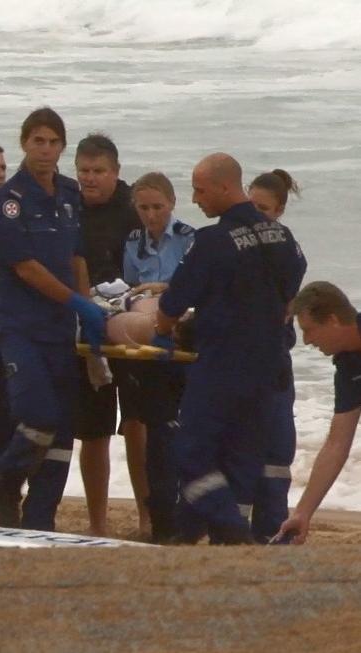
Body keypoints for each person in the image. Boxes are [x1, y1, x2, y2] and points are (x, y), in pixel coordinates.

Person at [154, 153, 306, 544]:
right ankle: (205, 542)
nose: (195, 198)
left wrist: (165, 328)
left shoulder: (211, 241)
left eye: (201, 190)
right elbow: (293, 287)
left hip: (223, 365)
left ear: (225, 187)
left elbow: (171, 306)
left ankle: (233, 532)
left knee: (191, 453)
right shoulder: (282, 236)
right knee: (241, 459)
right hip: (270, 367)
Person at [0, 108, 106, 531]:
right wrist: (78, 303)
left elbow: (75, 256)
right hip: (19, 327)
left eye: (54, 142)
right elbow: (25, 267)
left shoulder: (70, 194)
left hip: (61, 329)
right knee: (37, 416)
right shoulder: (6, 200)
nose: (46, 149)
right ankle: (3, 483)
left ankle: (40, 521)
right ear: (24, 143)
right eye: (38, 141)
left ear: (62, 147)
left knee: (61, 436)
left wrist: (90, 312)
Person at [75, 133, 149, 537]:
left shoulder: (133, 208)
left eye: (99, 171)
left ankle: (146, 516)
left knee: (137, 423)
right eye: (84, 171)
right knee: (94, 429)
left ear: (116, 173)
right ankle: (97, 524)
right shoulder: (69, 207)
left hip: (133, 325)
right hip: (86, 327)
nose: (90, 179)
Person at [123, 171, 195, 542]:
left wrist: (164, 289)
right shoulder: (133, 242)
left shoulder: (189, 238)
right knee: (154, 430)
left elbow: (200, 286)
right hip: (148, 347)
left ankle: (187, 515)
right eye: (144, 208)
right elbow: (128, 289)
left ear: (172, 204)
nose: (151, 215)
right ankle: (161, 517)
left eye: (158, 207)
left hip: (183, 344)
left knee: (183, 431)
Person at [277, 281, 361, 544]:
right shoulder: (348, 365)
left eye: (310, 330)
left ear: (333, 320)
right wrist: (303, 513)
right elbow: (336, 445)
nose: (307, 341)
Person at [248, 169, 305, 542]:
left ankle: (271, 532)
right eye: (250, 206)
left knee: (276, 452)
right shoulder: (233, 243)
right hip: (240, 361)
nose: (256, 216)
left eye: (263, 209)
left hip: (272, 360)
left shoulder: (286, 248)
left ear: (279, 210)